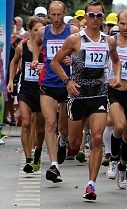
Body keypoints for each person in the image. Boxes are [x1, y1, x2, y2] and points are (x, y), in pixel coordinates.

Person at [50, 1, 121, 200]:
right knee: (75, 145)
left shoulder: (109, 41)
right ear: (86, 17)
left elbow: (116, 61)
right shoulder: (75, 40)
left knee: (97, 138)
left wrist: (116, 76)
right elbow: (55, 62)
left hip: (99, 94)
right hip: (78, 96)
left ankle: (91, 184)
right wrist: (67, 81)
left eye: (99, 16)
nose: (95, 19)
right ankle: (63, 141)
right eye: (92, 15)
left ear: (103, 17)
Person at [31, 0, 80, 183]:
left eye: (60, 14)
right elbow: (36, 43)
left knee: (64, 129)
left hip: (68, 84)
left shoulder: (73, 32)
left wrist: (73, 59)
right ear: (49, 15)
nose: (57, 18)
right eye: (53, 15)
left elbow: (81, 51)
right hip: (48, 83)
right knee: (50, 123)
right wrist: (37, 59)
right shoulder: (44, 32)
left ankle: (63, 141)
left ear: (64, 13)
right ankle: (54, 166)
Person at [103, 9, 127, 189]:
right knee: (119, 126)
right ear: (118, 23)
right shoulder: (111, 42)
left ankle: (123, 165)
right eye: (122, 24)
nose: (125, 28)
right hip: (115, 91)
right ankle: (112, 158)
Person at [7, 17, 47, 173]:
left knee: (40, 127)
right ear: (30, 31)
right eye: (36, 30)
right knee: (25, 122)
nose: (39, 33)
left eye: (42, 30)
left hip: (43, 90)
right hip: (26, 90)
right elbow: (14, 62)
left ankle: (37, 152)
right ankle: (28, 159)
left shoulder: (47, 48)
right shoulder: (22, 47)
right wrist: (11, 80)